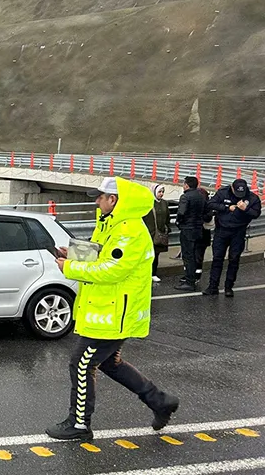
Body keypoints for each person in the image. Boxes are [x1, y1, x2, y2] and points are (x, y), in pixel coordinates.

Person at [46, 177, 178, 441]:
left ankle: (79, 424)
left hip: (115, 313)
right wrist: (74, 254)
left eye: (100, 197)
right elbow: (102, 255)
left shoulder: (128, 230)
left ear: (113, 200)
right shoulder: (112, 224)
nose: (97, 201)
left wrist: (69, 267)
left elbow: (112, 269)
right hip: (108, 310)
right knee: (110, 363)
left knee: (81, 364)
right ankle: (160, 401)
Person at [204, 179, 261, 297]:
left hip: (238, 232)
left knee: (234, 259)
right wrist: (227, 207)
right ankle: (212, 286)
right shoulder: (223, 192)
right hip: (222, 231)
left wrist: (245, 209)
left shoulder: (252, 198)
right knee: (217, 258)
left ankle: (229, 287)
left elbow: (256, 214)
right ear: (232, 188)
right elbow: (210, 204)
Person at [173, 176, 206, 292]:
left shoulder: (185, 197)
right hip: (198, 229)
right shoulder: (201, 196)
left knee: (188, 256)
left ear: (186, 185)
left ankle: (189, 281)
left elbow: (181, 212)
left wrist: (178, 222)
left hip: (187, 229)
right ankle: (192, 278)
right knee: (195, 255)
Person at [142, 184, 170, 282]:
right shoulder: (148, 203)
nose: (161, 194)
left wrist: (166, 228)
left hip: (159, 233)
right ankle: (146, 273)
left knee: (156, 254)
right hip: (149, 233)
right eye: (159, 192)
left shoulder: (164, 203)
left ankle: (153, 273)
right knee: (147, 255)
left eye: (162, 192)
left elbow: (167, 217)